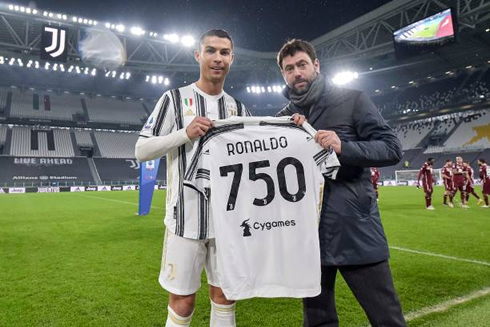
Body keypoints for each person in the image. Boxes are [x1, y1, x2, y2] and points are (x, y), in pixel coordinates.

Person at [275, 39, 406, 327]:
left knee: (386, 317)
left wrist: (344, 146)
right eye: (289, 68)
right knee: (318, 320)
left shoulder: (353, 99)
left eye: (302, 65)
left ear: (316, 65)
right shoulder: (283, 120)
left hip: (355, 229)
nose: (297, 72)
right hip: (307, 234)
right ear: (283, 75)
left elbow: (392, 149)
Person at [135, 29, 249, 327]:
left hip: (227, 222)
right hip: (185, 219)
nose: (217, 58)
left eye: (224, 53)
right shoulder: (173, 100)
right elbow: (142, 150)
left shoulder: (238, 108)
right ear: (198, 55)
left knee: (225, 296)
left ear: (231, 59)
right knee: (183, 303)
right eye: (211, 51)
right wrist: (184, 133)